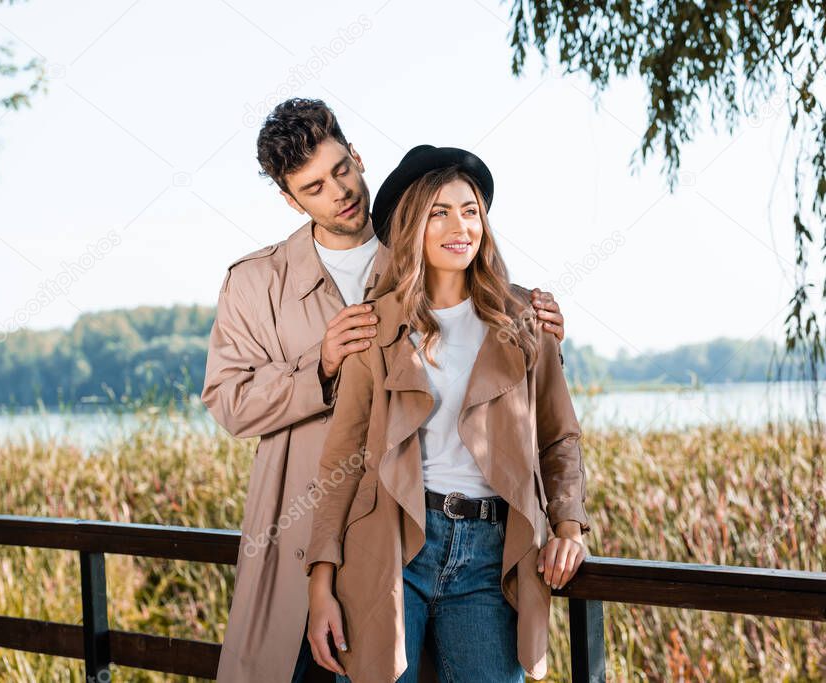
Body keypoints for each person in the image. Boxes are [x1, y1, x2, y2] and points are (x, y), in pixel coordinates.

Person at [201, 99, 570, 683]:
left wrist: (539, 330)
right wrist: (321, 366)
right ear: (290, 199)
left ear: (357, 155)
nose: (339, 192)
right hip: (303, 529)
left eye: (342, 169)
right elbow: (228, 401)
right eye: (314, 186)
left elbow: (498, 354)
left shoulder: (425, 244)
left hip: (406, 533)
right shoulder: (254, 282)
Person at [303, 144, 592, 682]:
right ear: (412, 223)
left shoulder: (526, 318)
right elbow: (340, 460)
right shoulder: (374, 326)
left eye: (470, 210)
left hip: (491, 556)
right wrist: (320, 584)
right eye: (439, 211)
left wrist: (568, 527)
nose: (460, 226)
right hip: (386, 550)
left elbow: (558, 437)